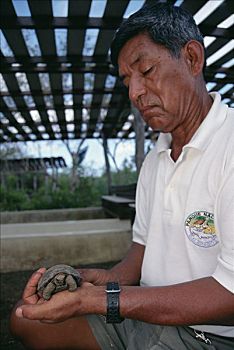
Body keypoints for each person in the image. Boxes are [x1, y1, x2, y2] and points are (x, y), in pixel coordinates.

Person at [10, 3, 234, 349]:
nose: (134, 94)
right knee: (26, 317)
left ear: (192, 58)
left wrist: (104, 301)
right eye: (128, 80)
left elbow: (230, 296)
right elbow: (140, 252)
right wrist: (101, 280)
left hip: (210, 337)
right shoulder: (156, 159)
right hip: (143, 315)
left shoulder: (229, 147)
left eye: (146, 70)